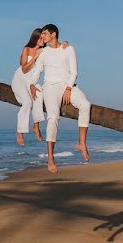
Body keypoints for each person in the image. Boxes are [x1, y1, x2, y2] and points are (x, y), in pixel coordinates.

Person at [29, 23, 91, 172]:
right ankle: (50, 159)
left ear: (53, 34)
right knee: (53, 116)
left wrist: (69, 88)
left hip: (68, 85)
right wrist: (32, 83)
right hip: (50, 86)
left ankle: (81, 143)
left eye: (44, 34)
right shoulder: (43, 53)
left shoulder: (68, 49)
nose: (42, 36)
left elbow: (74, 72)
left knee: (85, 105)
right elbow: (37, 71)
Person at [10, 28, 69, 146]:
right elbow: (24, 69)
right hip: (20, 79)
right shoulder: (27, 49)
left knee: (40, 93)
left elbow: (56, 46)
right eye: (40, 38)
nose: (43, 40)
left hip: (32, 81)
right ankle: (20, 132)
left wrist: (65, 43)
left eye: (43, 37)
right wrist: (35, 57)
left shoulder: (44, 50)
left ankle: (36, 126)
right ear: (35, 38)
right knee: (27, 102)